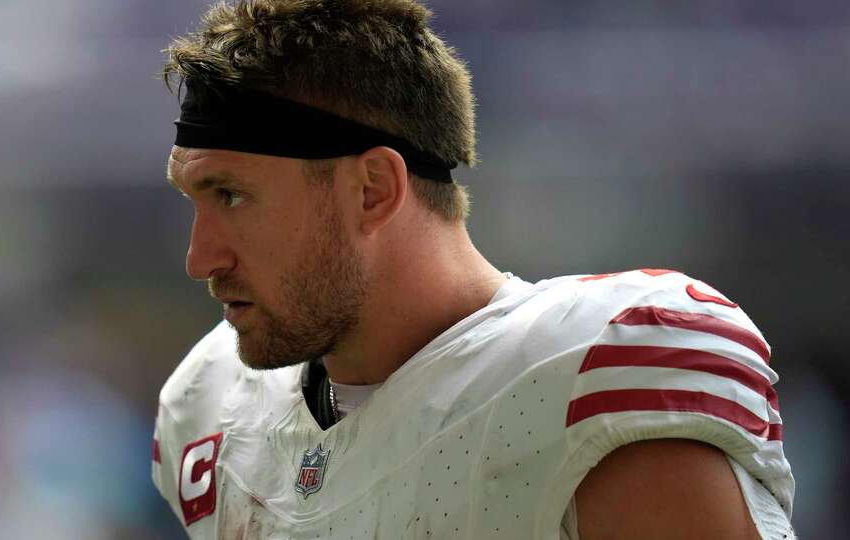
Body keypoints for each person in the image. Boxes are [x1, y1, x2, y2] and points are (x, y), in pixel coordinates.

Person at [151, 1, 796, 538]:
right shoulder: (209, 402)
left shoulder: (597, 377)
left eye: (231, 195)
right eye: (195, 201)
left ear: (373, 189)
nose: (199, 258)